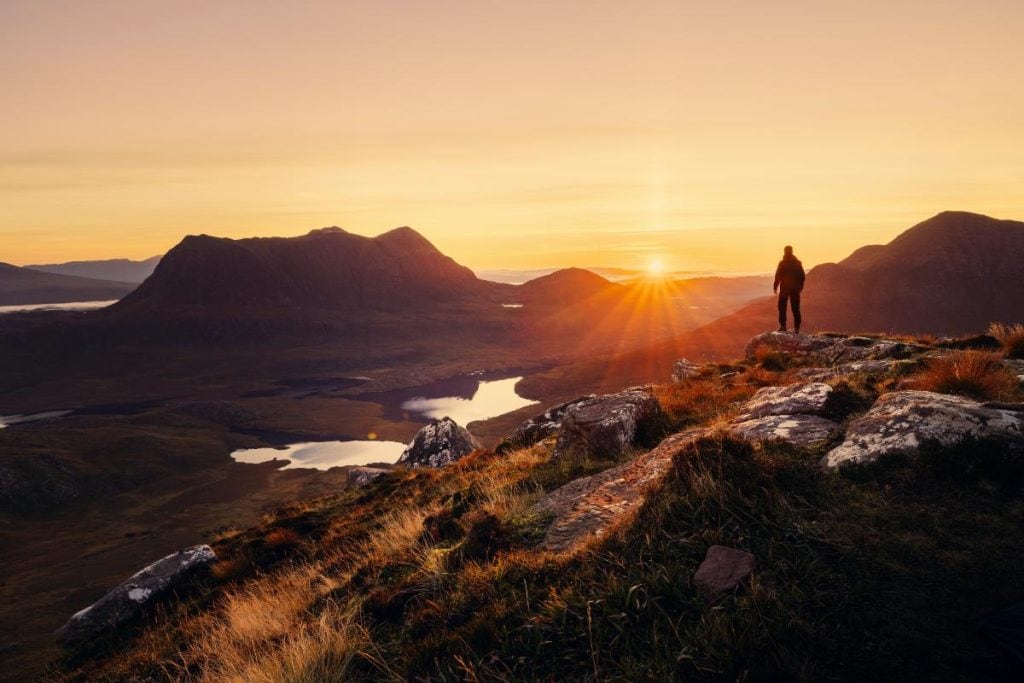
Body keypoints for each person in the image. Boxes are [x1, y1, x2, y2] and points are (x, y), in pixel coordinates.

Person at [773, 245, 805, 333]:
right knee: (795, 308)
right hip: (795, 289)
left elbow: (778, 276)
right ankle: (797, 328)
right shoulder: (798, 263)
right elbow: (802, 276)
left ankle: (783, 326)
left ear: (785, 252)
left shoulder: (782, 263)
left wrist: (775, 287)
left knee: (782, 307)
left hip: (784, 289)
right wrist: (800, 286)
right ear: (792, 251)